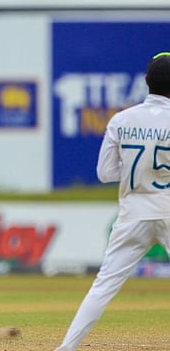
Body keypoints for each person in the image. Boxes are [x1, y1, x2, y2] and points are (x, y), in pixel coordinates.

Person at [55, 52, 170, 350]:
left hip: (132, 213)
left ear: (146, 82)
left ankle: (66, 347)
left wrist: (138, 170)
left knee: (103, 286)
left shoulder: (122, 119)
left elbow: (105, 173)